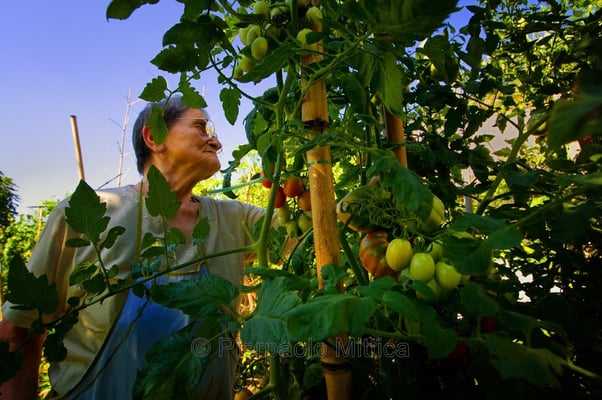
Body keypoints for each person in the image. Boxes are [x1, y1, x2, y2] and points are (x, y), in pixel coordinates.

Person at [0, 96, 272, 399]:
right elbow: (18, 331)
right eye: (201, 127)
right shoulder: (87, 215)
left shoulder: (235, 219)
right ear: (154, 136)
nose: (217, 142)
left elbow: (304, 224)